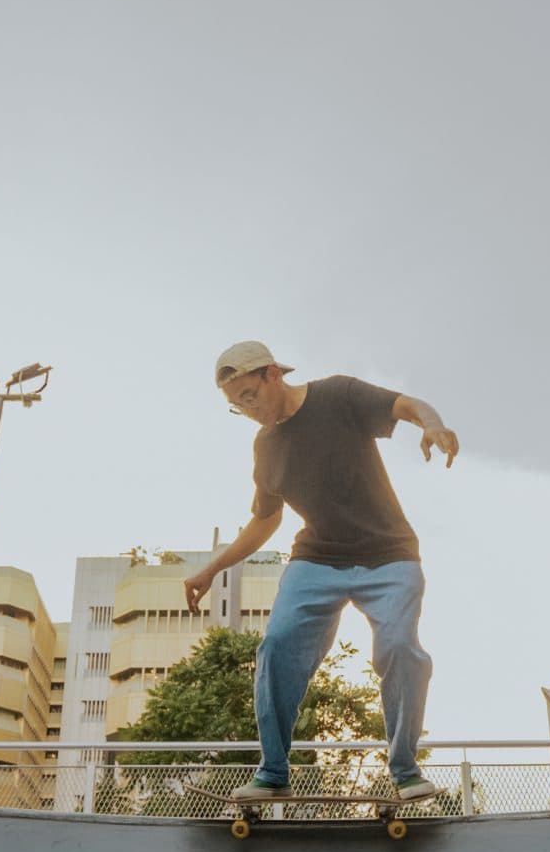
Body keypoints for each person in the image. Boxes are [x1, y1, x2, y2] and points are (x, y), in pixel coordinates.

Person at [185, 341, 458, 805]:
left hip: (389, 555)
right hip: (316, 560)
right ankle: (273, 773)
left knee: (399, 647)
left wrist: (432, 424)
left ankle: (405, 770)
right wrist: (211, 569)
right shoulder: (266, 446)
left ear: (273, 374)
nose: (249, 411)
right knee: (277, 645)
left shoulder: (337, 395)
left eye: (250, 396)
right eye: (237, 406)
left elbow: (406, 405)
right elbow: (265, 521)